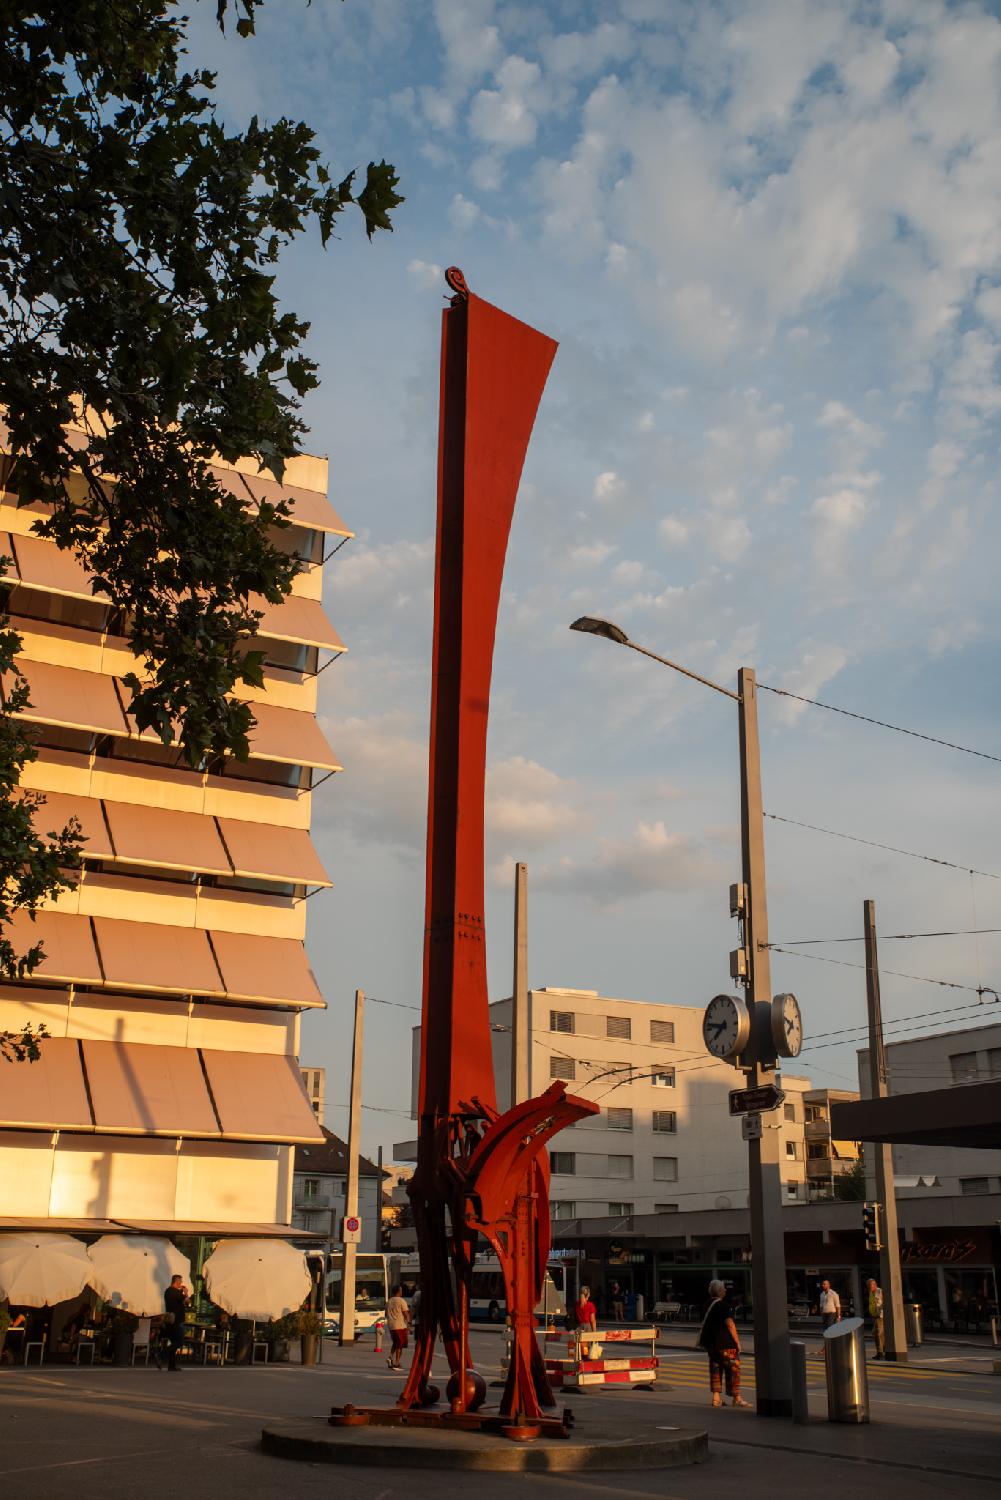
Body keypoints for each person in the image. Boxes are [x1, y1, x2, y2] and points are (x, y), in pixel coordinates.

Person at [697, 1281, 749, 1409]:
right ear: (720, 1291)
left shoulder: (706, 1305)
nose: (725, 1290)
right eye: (724, 1289)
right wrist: (737, 1342)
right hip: (726, 1344)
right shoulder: (723, 1305)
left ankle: (716, 1398)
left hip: (712, 1345)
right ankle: (737, 1398)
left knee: (716, 1369)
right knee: (734, 1369)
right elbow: (730, 1324)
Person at [163, 1274, 188, 1371]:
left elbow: (179, 1301)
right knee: (180, 1341)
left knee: (174, 1342)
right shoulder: (174, 1292)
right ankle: (162, 1354)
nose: (181, 1284)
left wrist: (181, 1292)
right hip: (176, 1320)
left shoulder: (168, 1291)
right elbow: (187, 1300)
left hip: (170, 1319)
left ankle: (171, 1365)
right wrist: (185, 1292)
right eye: (180, 1282)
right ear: (176, 1282)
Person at [385, 1284, 411, 1370]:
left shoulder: (389, 1301)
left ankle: (390, 1357)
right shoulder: (401, 1301)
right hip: (400, 1325)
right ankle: (397, 1362)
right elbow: (406, 1314)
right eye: (401, 1290)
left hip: (391, 1325)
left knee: (395, 1343)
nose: (402, 1292)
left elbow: (386, 1313)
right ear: (399, 1291)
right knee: (400, 1345)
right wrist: (409, 1323)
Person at [867, 1277, 885, 1359]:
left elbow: (884, 1302)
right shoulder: (871, 1292)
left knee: (877, 1333)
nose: (869, 1286)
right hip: (875, 1316)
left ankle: (880, 1352)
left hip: (880, 1315)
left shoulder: (880, 1291)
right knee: (879, 1333)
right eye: (868, 1285)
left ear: (875, 1285)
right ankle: (883, 1350)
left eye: (870, 1285)